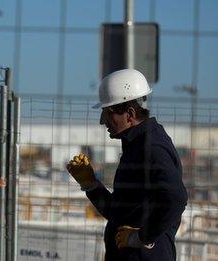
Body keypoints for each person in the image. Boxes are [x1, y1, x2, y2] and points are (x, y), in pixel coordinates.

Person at [66, 69, 188, 260]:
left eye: (108, 113)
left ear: (129, 114)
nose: (102, 121)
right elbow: (119, 213)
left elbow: (176, 198)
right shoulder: (136, 146)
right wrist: (91, 185)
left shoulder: (152, 147)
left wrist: (142, 237)